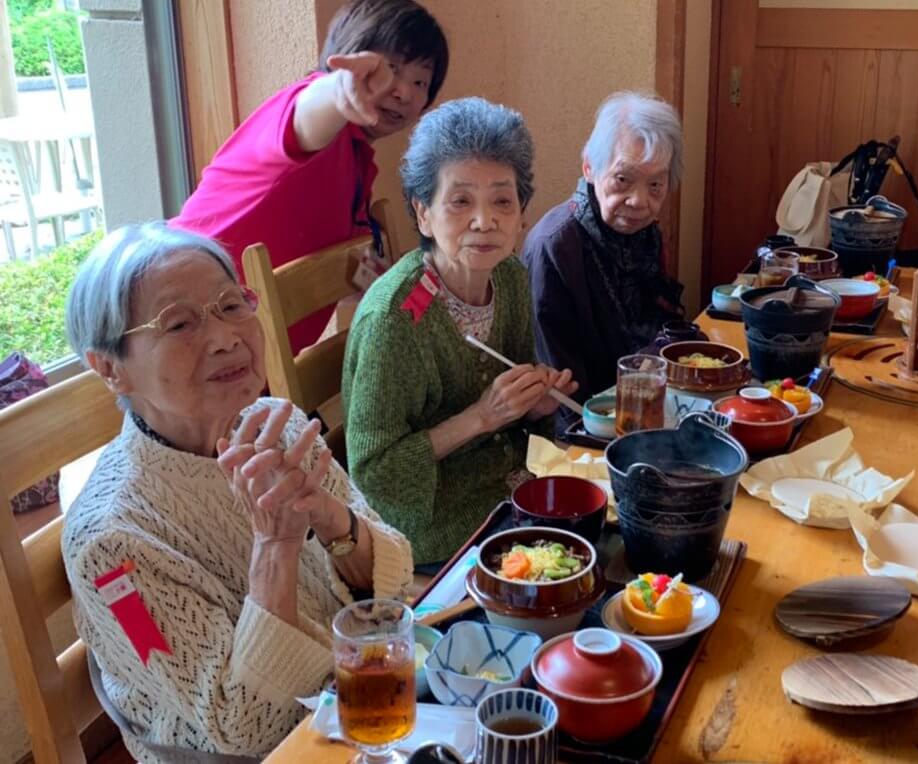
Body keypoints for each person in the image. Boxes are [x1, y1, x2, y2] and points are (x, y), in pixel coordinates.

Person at [62, 223, 413, 762]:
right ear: (111, 369)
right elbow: (241, 725)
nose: (226, 337)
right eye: (179, 323)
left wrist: (335, 522)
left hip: (357, 707)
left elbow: (397, 576)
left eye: (231, 305)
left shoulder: (281, 427)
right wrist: (275, 544)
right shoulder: (108, 550)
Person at [342, 97, 577, 568]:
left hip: (508, 487)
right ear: (424, 213)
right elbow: (374, 474)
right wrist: (482, 416)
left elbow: (516, 416)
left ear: (521, 212)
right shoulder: (395, 319)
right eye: (460, 201)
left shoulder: (509, 277)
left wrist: (536, 404)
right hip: (430, 526)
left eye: (502, 201)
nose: (484, 221)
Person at [171, 0, 448, 354]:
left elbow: (355, 273)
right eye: (389, 69)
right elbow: (309, 113)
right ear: (348, 59)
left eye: (420, 81)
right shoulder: (308, 115)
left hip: (248, 371)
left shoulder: (358, 159)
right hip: (182, 342)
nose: (404, 92)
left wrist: (429, 296)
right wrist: (339, 90)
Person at [521, 91, 685, 434]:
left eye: (656, 185)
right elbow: (559, 391)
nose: (639, 201)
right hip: (581, 430)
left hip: (643, 409)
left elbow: (656, 323)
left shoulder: (645, 232)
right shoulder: (554, 247)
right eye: (623, 180)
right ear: (589, 168)